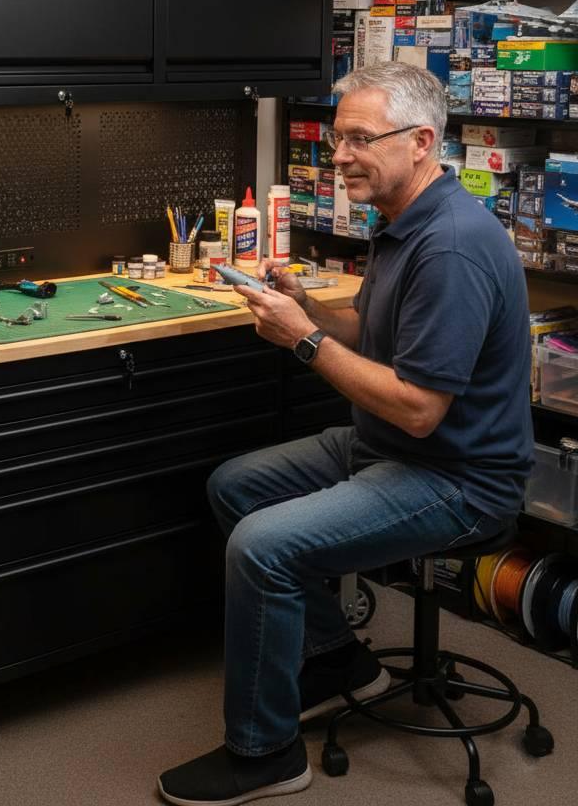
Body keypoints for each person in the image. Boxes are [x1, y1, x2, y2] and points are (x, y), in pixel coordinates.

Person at [158, 62, 534, 806]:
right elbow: (372, 330)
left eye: (361, 139)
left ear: (422, 140)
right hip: (388, 448)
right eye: (337, 140)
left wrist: (302, 340)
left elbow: (421, 407)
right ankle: (336, 663)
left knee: (264, 547)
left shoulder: (451, 246)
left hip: (457, 478)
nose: (340, 157)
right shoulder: (403, 218)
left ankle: (263, 754)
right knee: (236, 485)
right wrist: (310, 307)